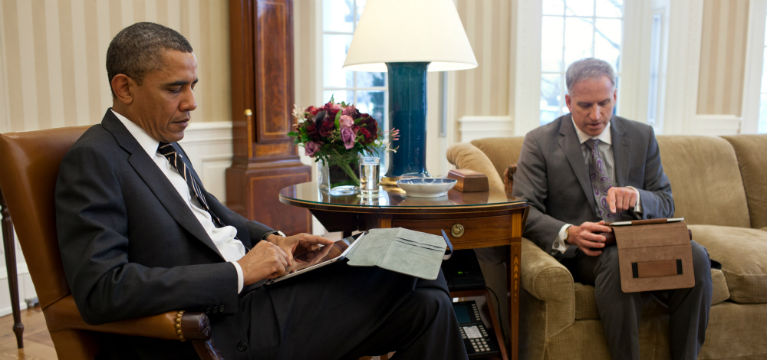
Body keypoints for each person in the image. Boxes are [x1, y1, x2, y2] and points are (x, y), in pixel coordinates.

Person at [55, 22, 467, 360]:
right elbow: (102, 289)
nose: (192, 103)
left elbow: (212, 215)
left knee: (427, 303)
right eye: (174, 88)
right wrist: (239, 272)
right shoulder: (94, 158)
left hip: (257, 300)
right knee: (412, 274)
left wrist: (277, 241)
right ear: (125, 88)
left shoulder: (163, 147)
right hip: (219, 328)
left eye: (192, 85)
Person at [512, 58, 712, 359]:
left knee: (696, 255)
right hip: (589, 252)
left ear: (614, 96)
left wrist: (637, 197)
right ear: (568, 101)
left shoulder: (641, 136)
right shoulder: (540, 142)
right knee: (619, 260)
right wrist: (570, 233)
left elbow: (666, 200)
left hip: (640, 240)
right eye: (585, 105)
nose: (596, 115)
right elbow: (525, 209)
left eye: (604, 103)